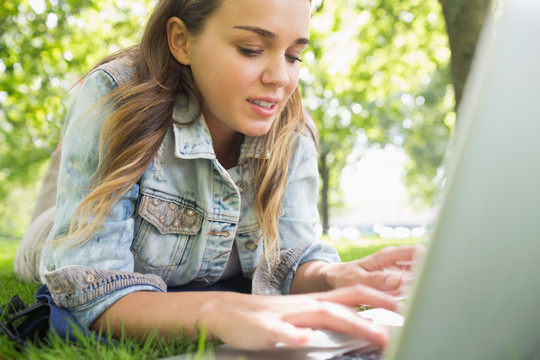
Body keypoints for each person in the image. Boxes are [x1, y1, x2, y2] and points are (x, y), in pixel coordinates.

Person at [14, 0, 421, 351]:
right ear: (181, 41)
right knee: (43, 247)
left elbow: (290, 259)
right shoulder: (116, 99)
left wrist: (334, 275)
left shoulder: (292, 132)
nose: (281, 78)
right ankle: (71, 147)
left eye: (294, 56)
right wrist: (216, 310)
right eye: (251, 49)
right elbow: (87, 287)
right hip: (79, 197)